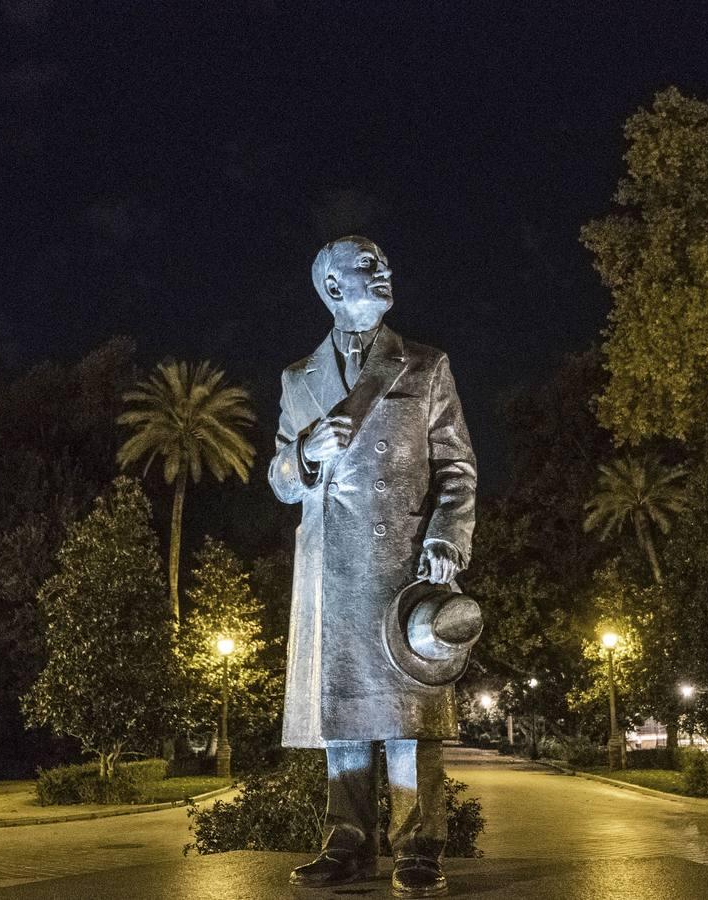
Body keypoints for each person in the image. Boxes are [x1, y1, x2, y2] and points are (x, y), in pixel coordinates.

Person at [268, 235, 476, 898]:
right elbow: (279, 480)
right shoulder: (298, 380)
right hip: (331, 568)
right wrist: (304, 449)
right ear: (331, 286)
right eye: (368, 265)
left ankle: (418, 846)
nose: (384, 271)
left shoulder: (425, 364)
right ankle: (346, 842)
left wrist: (446, 537)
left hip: (403, 560)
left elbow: (458, 467)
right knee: (344, 714)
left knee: (408, 713)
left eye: (385, 262)